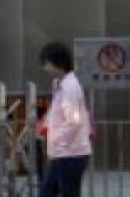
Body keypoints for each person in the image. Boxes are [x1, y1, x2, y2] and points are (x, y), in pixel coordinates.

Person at [39, 41, 92, 197]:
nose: (45, 68)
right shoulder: (60, 85)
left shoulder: (70, 88)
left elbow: (73, 122)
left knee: (65, 192)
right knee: (48, 192)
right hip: (64, 152)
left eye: (47, 64)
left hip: (71, 153)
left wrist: (56, 141)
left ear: (59, 64)